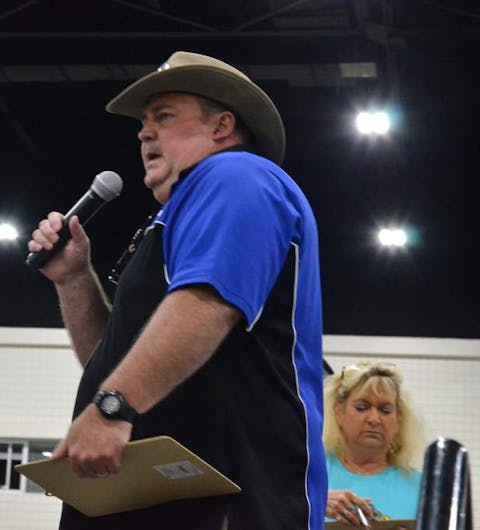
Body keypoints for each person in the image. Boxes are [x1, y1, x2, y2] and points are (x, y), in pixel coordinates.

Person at [27, 51, 326, 529]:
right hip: (156, 495)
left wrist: (111, 407)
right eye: (143, 124)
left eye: (164, 117)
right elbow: (113, 358)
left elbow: (208, 304)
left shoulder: (237, 175)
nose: (145, 133)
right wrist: (74, 279)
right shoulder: (170, 220)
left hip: (228, 498)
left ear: (221, 127)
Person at [323, 362, 425, 526]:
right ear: (339, 412)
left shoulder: (423, 489)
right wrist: (313, 502)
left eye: (385, 411)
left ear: (399, 418)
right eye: (362, 407)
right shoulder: (309, 478)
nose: (374, 419)